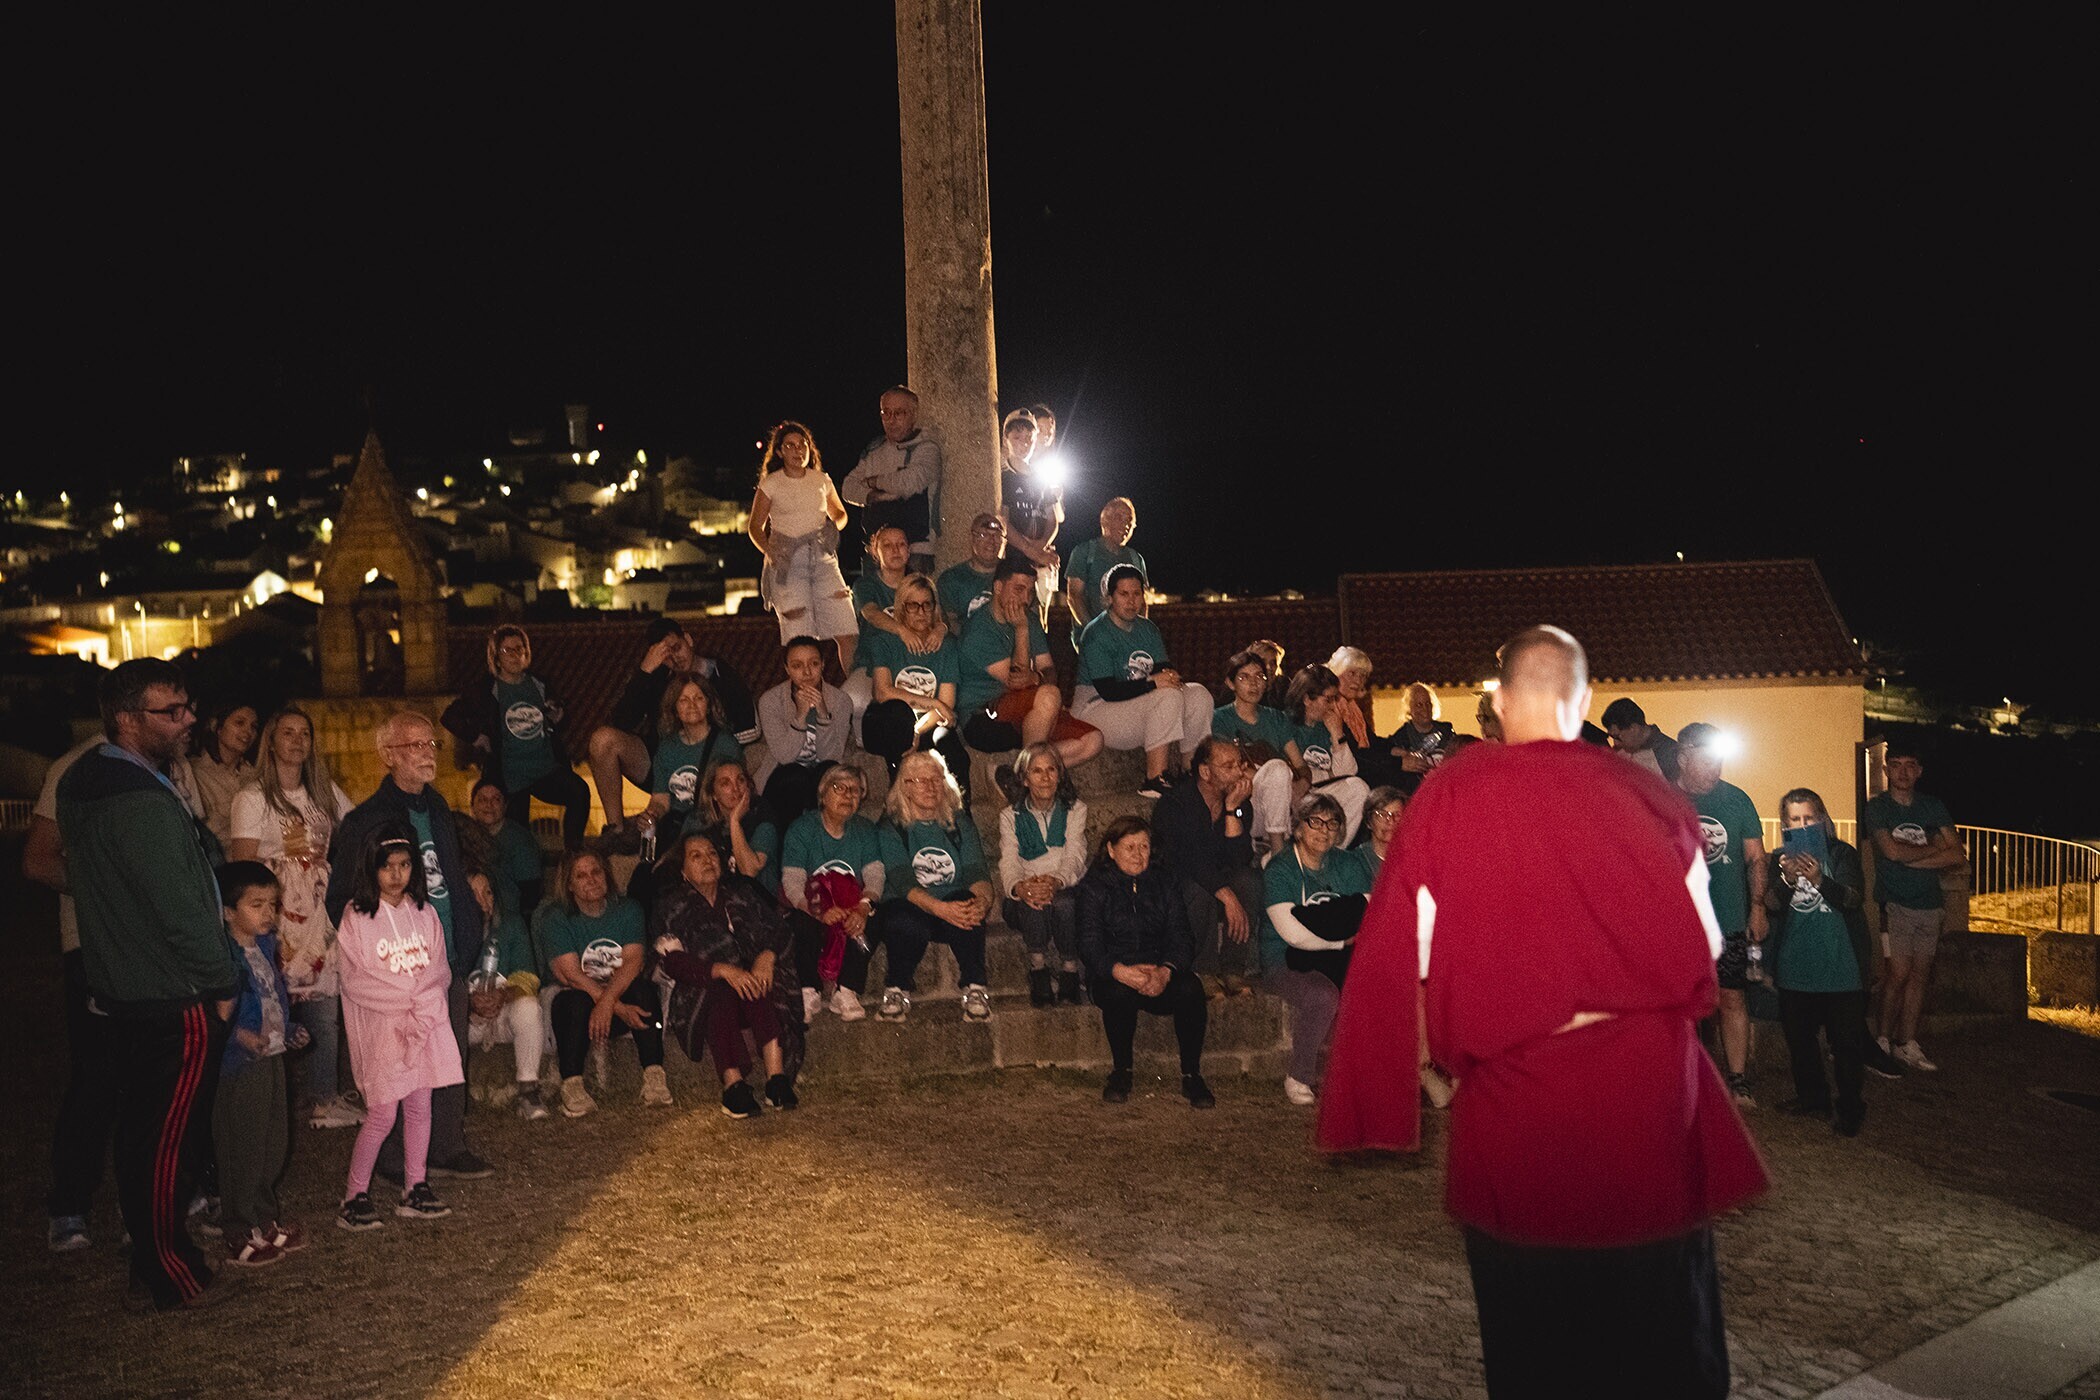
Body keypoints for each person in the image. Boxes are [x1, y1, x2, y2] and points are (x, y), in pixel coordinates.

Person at [1318, 626, 1768, 1400]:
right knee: (1665, 1336)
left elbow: (1403, 949)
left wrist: (1391, 1076)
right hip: (1648, 1095)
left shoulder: (1453, 793)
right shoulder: (1652, 795)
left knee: (1536, 1347)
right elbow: (1704, 943)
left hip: (1518, 1099)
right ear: (1585, 701)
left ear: (1496, 702)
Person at [56, 659, 242, 1310]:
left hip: (125, 986)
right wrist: (222, 982)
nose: (189, 720)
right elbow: (181, 908)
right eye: (172, 711)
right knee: (166, 1140)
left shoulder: (86, 779)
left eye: (188, 706)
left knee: (142, 1131)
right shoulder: (140, 800)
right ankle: (167, 1267)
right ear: (127, 719)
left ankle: (155, 1253)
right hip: (172, 993)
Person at [325, 710, 491, 1183]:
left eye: (430, 745)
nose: (427, 753)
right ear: (387, 755)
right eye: (414, 746)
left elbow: (446, 872)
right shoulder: (367, 819)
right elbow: (340, 897)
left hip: (443, 955)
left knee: (445, 1052)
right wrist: (373, 944)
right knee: (398, 1064)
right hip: (394, 966)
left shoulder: (436, 806)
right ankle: (394, 1158)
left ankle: (446, 1145)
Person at [228, 708, 360, 1130]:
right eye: (287, 732)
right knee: (276, 998)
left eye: (305, 733)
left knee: (324, 1001)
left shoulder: (324, 793)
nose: (297, 740)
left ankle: (323, 1096)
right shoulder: (252, 798)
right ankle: (276, 1100)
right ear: (271, 741)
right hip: (278, 909)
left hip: (318, 911)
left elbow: (356, 826)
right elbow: (243, 864)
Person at [334, 823, 462, 1231]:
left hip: (422, 1026)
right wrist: (408, 997)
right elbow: (355, 980)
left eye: (405, 865)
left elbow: (439, 969)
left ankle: (415, 1186)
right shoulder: (357, 917)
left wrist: (422, 1001)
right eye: (387, 866)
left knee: (421, 1106)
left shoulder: (424, 913)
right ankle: (354, 1194)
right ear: (372, 869)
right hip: (384, 1030)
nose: (396, 874)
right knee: (383, 1114)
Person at [25, 732, 120, 1253]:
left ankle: (162, 1196)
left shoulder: (172, 770)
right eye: (173, 710)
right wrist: (106, 891)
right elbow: (38, 859)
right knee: (96, 1079)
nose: (188, 720)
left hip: (155, 948)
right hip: (94, 945)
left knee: (154, 1077)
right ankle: (70, 1205)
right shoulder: (75, 768)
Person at [654, 835, 802, 1119]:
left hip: (752, 989)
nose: (708, 860)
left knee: (756, 981)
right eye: (696, 856)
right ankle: (733, 1085)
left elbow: (781, 930)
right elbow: (672, 961)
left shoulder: (741, 894)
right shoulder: (672, 907)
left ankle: (776, 1078)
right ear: (683, 871)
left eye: (711, 853)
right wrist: (722, 969)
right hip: (702, 992)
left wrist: (767, 956)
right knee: (720, 990)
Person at [1075, 817, 1213, 1108]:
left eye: (1144, 846)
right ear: (1111, 850)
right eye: (1130, 847)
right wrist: (1121, 971)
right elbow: (1089, 944)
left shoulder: (1165, 881)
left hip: (1157, 971)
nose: (1139, 855)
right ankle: (1121, 1071)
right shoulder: (1094, 887)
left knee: (1191, 989)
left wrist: (1165, 971)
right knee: (1117, 994)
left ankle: (1192, 1074)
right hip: (1114, 972)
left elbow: (1182, 936)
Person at [211, 862, 310, 1266]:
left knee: (274, 1140)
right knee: (242, 1146)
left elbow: (274, 999)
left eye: (272, 904)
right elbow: (212, 1010)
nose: (268, 913)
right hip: (239, 1063)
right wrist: (238, 1035)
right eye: (257, 905)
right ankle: (238, 1228)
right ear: (228, 911)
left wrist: (289, 1030)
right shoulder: (221, 956)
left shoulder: (266, 948)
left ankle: (265, 1220)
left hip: (270, 1056)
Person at [586, 618, 758, 848]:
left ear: (688, 639)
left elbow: (749, 730)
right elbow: (620, 722)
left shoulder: (722, 675)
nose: (675, 658)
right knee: (602, 740)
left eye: (676, 648)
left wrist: (714, 753)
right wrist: (645, 671)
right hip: (664, 765)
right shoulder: (658, 677)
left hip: (714, 768)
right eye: (665, 654)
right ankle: (616, 831)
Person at [1766, 788, 1874, 1136]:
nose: (1802, 825)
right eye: (1794, 820)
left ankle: (1850, 1107)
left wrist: (1818, 879)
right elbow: (1771, 904)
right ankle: (1813, 1097)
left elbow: (1854, 898)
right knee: (1800, 1039)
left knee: (1846, 1043)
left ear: (1823, 818)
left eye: (1809, 818)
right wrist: (1786, 879)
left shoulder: (1842, 854)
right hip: (1796, 963)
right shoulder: (1780, 858)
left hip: (1840, 965)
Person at [534, 848, 671, 1117]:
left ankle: (654, 1076)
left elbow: (633, 961)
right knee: (575, 1002)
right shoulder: (556, 917)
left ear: (606, 875)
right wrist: (615, 1006)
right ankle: (571, 1084)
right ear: (569, 885)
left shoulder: (628, 909)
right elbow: (571, 975)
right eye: (581, 876)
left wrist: (609, 1003)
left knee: (644, 992)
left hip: (615, 998)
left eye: (596, 872)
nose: (591, 880)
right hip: (577, 1002)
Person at [1675, 721, 1769, 1107]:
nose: (1715, 767)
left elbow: (1755, 858)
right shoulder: (1665, 798)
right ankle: (1685, 1078)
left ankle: (1738, 1079)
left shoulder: (1737, 800)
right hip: (1679, 926)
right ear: (1683, 758)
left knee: (1732, 998)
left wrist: (1758, 907)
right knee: (1682, 1005)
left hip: (1728, 920)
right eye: (1706, 758)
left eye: (1719, 759)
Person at [1260, 794, 1372, 1106]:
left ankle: (1367, 1078)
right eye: (1315, 822)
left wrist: (1331, 926)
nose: (1324, 830)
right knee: (1322, 996)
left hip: (1338, 956)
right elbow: (1291, 933)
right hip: (1283, 959)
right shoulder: (1280, 870)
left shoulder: (1347, 863)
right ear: (1297, 828)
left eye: (1332, 823)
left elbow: (1367, 912)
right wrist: (1340, 937)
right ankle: (1298, 1076)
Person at [440, 625, 590, 849]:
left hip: (544, 767)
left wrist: (558, 716)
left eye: (519, 649)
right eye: (507, 650)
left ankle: (573, 854)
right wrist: (477, 737)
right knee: (518, 838)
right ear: (496, 657)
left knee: (579, 793)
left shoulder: (539, 684)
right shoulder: (486, 689)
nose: (514, 655)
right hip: (509, 774)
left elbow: (558, 718)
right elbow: (450, 716)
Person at [1863, 741, 1964, 1072]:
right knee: (1897, 973)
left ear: (1919, 771)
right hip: (1895, 903)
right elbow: (1889, 852)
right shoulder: (1878, 808)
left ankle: (1907, 1043)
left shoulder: (1932, 806)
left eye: (1910, 765)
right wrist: (1932, 850)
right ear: (1886, 770)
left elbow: (1957, 854)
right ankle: (1881, 1039)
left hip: (1930, 904)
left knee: (1920, 975)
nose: (1903, 771)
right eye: (1896, 764)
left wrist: (1912, 858)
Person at [874, 749, 995, 1023]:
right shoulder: (891, 827)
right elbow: (902, 880)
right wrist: (942, 909)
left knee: (969, 903)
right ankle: (896, 988)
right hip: (913, 906)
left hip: (951, 908)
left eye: (936, 779)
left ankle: (975, 987)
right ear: (905, 788)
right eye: (920, 780)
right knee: (902, 919)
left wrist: (982, 902)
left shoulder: (959, 822)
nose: (930, 786)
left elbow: (977, 870)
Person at [1073, 565, 1213, 800]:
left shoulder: (1147, 628)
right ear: (1109, 598)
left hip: (1136, 705)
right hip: (1096, 708)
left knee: (1199, 694)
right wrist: (1153, 684)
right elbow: (1109, 690)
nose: (1131, 601)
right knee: (1167, 696)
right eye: (1123, 594)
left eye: (1136, 593)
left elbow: (1161, 670)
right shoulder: (1097, 633)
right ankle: (1154, 778)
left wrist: (1168, 678)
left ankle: (1191, 770)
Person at [956, 556, 1102, 768]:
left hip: (1030, 714)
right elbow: (1016, 681)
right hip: (984, 718)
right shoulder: (979, 630)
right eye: (1019, 589)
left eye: (1030, 591)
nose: (1026, 599)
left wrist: (1037, 677)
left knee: (1093, 741)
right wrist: (1021, 630)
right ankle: (1033, 781)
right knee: (1050, 695)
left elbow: (1049, 671)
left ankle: (1021, 773)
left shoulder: (1029, 620)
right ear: (998, 587)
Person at [1150, 736, 1261, 999]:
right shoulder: (1175, 804)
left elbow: (1239, 859)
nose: (1238, 772)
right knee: (1200, 890)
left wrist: (1232, 810)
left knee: (1250, 880)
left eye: (1239, 765)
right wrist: (1226, 894)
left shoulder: (1240, 802)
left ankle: (1233, 968)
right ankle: (1203, 969)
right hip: (1181, 881)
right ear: (1205, 772)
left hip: (1218, 876)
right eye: (1228, 766)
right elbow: (1188, 861)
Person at [749, 419, 857, 670]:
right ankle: (808, 696)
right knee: (800, 639)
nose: (798, 451)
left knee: (847, 629)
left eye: (802, 445)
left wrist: (833, 528)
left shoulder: (821, 480)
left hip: (821, 559)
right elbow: (755, 526)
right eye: (790, 446)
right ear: (779, 451)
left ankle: (854, 691)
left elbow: (840, 514)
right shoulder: (771, 483)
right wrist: (771, 552)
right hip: (789, 562)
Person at [779, 764, 884, 1022]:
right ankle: (808, 989)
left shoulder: (865, 829)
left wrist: (863, 906)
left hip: (851, 905)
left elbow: (875, 875)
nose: (848, 795)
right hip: (812, 904)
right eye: (839, 788)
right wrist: (818, 910)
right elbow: (792, 881)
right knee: (800, 922)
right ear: (823, 794)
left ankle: (846, 990)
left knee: (876, 918)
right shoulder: (802, 829)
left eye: (855, 791)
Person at [861, 571, 971, 795]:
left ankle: (961, 817)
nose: (921, 612)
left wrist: (918, 730)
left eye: (927, 605)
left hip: (927, 722)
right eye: (913, 605)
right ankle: (899, 807)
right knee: (899, 714)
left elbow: (946, 704)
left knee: (954, 751)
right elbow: (883, 692)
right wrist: (934, 704)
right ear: (902, 607)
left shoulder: (946, 646)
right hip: (886, 720)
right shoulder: (884, 641)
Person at [998, 744, 1089, 1006]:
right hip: (1028, 889)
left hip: (1066, 885)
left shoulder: (1075, 809)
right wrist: (1019, 887)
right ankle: (1038, 967)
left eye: (1051, 769)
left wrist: (1056, 880)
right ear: (1025, 779)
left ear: (1060, 775)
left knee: (1064, 903)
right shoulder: (1010, 816)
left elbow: (1075, 853)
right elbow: (1009, 860)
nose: (1045, 777)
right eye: (1036, 771)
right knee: (1030, 902)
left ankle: (1070, 968)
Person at [463, 868, 550, 1121]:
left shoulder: (509, 925)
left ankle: (528, 1089)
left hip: (501, 1012)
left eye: (487, 892)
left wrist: (502, 996)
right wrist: (469, 1004)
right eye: (473, 895)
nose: (483, 901)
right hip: (465, 1019)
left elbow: (527, 976)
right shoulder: (446, 929)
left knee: (529, 1007)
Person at [844, 524, 944, 731]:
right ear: (875, 551)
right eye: (887, 545)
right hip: (873, 665)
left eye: (901, 545)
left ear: (908, 551)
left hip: (914, 665)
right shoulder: (866, 585)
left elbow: (939, 619)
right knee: (851, 702)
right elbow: (871, 613)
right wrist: (902, 630)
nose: (895, 550)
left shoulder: (921, 584)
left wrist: (940, 630)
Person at [841, 384, 942, 577]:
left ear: (913, 414)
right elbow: (848, 488)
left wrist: (874, 481)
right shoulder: (874, 450)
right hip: (876, 551)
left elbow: (910, 482)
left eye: (899, 413)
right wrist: (873, 497)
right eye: (886, 413)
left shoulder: (927, 448)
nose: (891, 420)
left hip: (914, 551)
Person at [1212, 647, 1305, 853]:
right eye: (1244, 677)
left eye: (1259, 676)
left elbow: (1300, 764)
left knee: (1354, 788)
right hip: (1246, 799)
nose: (1254, 683)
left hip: (1283, 793)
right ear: (1230, 683)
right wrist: (1277, 778)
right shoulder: (1219, 719)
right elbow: (1228, 768)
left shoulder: (1276, 718)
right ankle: (1277, 849)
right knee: (1277, 770)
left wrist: (1302, 784)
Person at [751, 635, 850, 826]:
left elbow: (832, 756)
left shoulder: (840, 701)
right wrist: (800, 716)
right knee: (794, 776)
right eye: (797, 666)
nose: (806, 672)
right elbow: (784, 756)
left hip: (823, 773)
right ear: (787, 669)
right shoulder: (771, 701)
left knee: (826, 772)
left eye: (813, 663)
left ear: (822, 664)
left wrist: (822, 712)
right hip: (784, 776)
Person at [645, 670, 745, 835]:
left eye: (698, 698)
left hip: (712, 824)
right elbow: (661, 799)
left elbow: (737, 793)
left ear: (708, 705)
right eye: (684, 700)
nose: (692, 705)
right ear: (675, 709)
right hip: (676, 825)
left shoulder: (726, 745)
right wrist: (652, 814)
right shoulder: (667, 748)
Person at [1285, 664, 1371, 844]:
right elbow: (1292, 774)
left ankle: (1334, 852)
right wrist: (1328, 774)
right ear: (1308, 699)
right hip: (1294, 798)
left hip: (1321, 792)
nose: (1333, 706)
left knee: (1358, 788)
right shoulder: (1285, 725)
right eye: (1328, 699)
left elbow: (1348, 772)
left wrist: (1337, 733)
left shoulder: (1327, 726)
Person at [998, 408, 1062, 623]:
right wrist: (1030, 549)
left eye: (1028, 437)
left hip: (1038, 561)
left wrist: (1041, 546)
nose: (1023, 442)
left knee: (1038, 618)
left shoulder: (1041, 477)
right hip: (1013, 561)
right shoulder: (1003, 477)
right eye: (1017, 436)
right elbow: (1003, 520)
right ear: (1006, 438)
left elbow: (1052, 519)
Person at [463, 776, 546, 918]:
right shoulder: (463, 837)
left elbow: (530, 894)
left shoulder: (521, 841)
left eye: (496, 799)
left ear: (505, 806)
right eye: (482, 800)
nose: (489, 805)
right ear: (473, 806)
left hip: (509, 916)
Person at [1064, 496, 1146, 638]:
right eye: (1119, 518)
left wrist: (1137, 635)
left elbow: (1142, 603)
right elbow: (1075, 596)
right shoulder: (1084, 552)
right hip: (1091, 638)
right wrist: (1095, 632)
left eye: (1130, 521)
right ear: (1104, 520)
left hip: (1125, 638)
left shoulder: (1136, 558)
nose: (1126, 525)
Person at [188, 698, 258, 849]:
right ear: (216, 726)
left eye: (253, 727)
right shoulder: (196, 772)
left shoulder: (255, 776)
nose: (248, 732)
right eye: (239, 723)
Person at [1381, 684, 1456, 797]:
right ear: (1409, 709)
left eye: (1427, 703)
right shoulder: (1399, 740)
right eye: (1419, 705)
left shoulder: (1447, 733)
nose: (1425, 709)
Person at [937, 512, 1006, 629]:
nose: (991, 541)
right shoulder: (951, 579)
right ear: (972, 538)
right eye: (984, 535)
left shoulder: (1013, 575)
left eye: (997, 535)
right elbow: (949, 623)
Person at [1602, 698, 1679, 782]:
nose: (1616, 743)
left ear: (1634, 728)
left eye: (1617, 737)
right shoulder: (1618, 752)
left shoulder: (1671, 754)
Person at [1358, 786, 1406, 875]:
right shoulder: (1355, 862)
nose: (1391, 821)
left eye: (1397, 815)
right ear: (1369, 821)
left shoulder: (1414, 863)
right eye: (1382, 815)